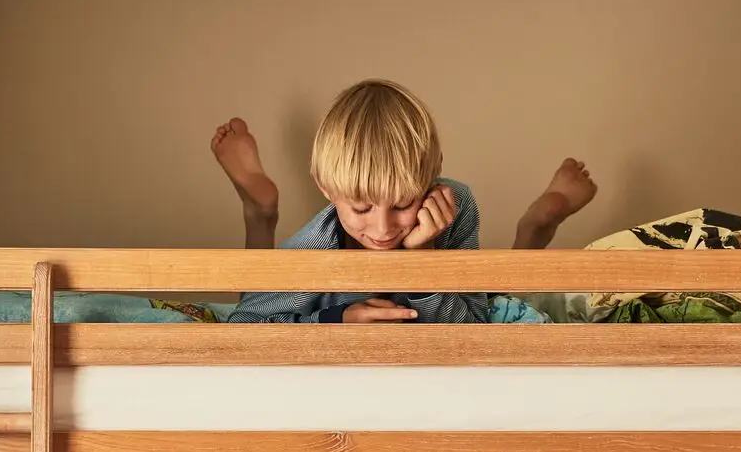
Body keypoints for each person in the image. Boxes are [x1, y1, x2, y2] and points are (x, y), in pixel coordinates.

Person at [210, 79, 596, 323]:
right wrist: (336, 319)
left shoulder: (453, 202)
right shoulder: (311, 247)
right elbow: (246, 325)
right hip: (306, 283)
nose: (382, 229)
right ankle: (260, 213)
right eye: (361, 208)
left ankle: (536, 227)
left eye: (402, 205)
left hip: (466, 287)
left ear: (431, 179)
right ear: (325, 188)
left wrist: (423, 259)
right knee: (261, 290)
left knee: (503, 297)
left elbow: (473, 324)